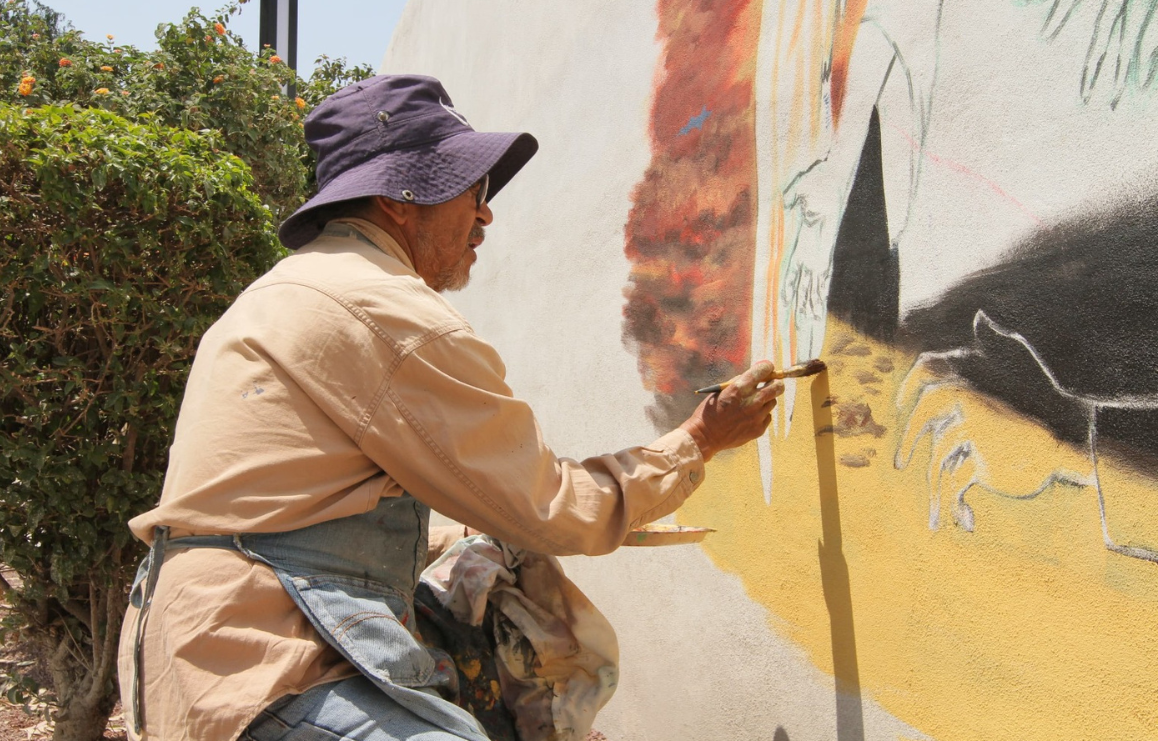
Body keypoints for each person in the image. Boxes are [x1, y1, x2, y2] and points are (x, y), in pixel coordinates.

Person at [117, 74, 785, 741]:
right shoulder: (384, 310)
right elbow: (553, 509)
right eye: (471, 188)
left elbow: (300, 507)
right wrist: (698, 438)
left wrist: (471, 538)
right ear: (397, 199)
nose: (485, 213)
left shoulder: (287, 290)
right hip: (267, 658)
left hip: (198, 649)